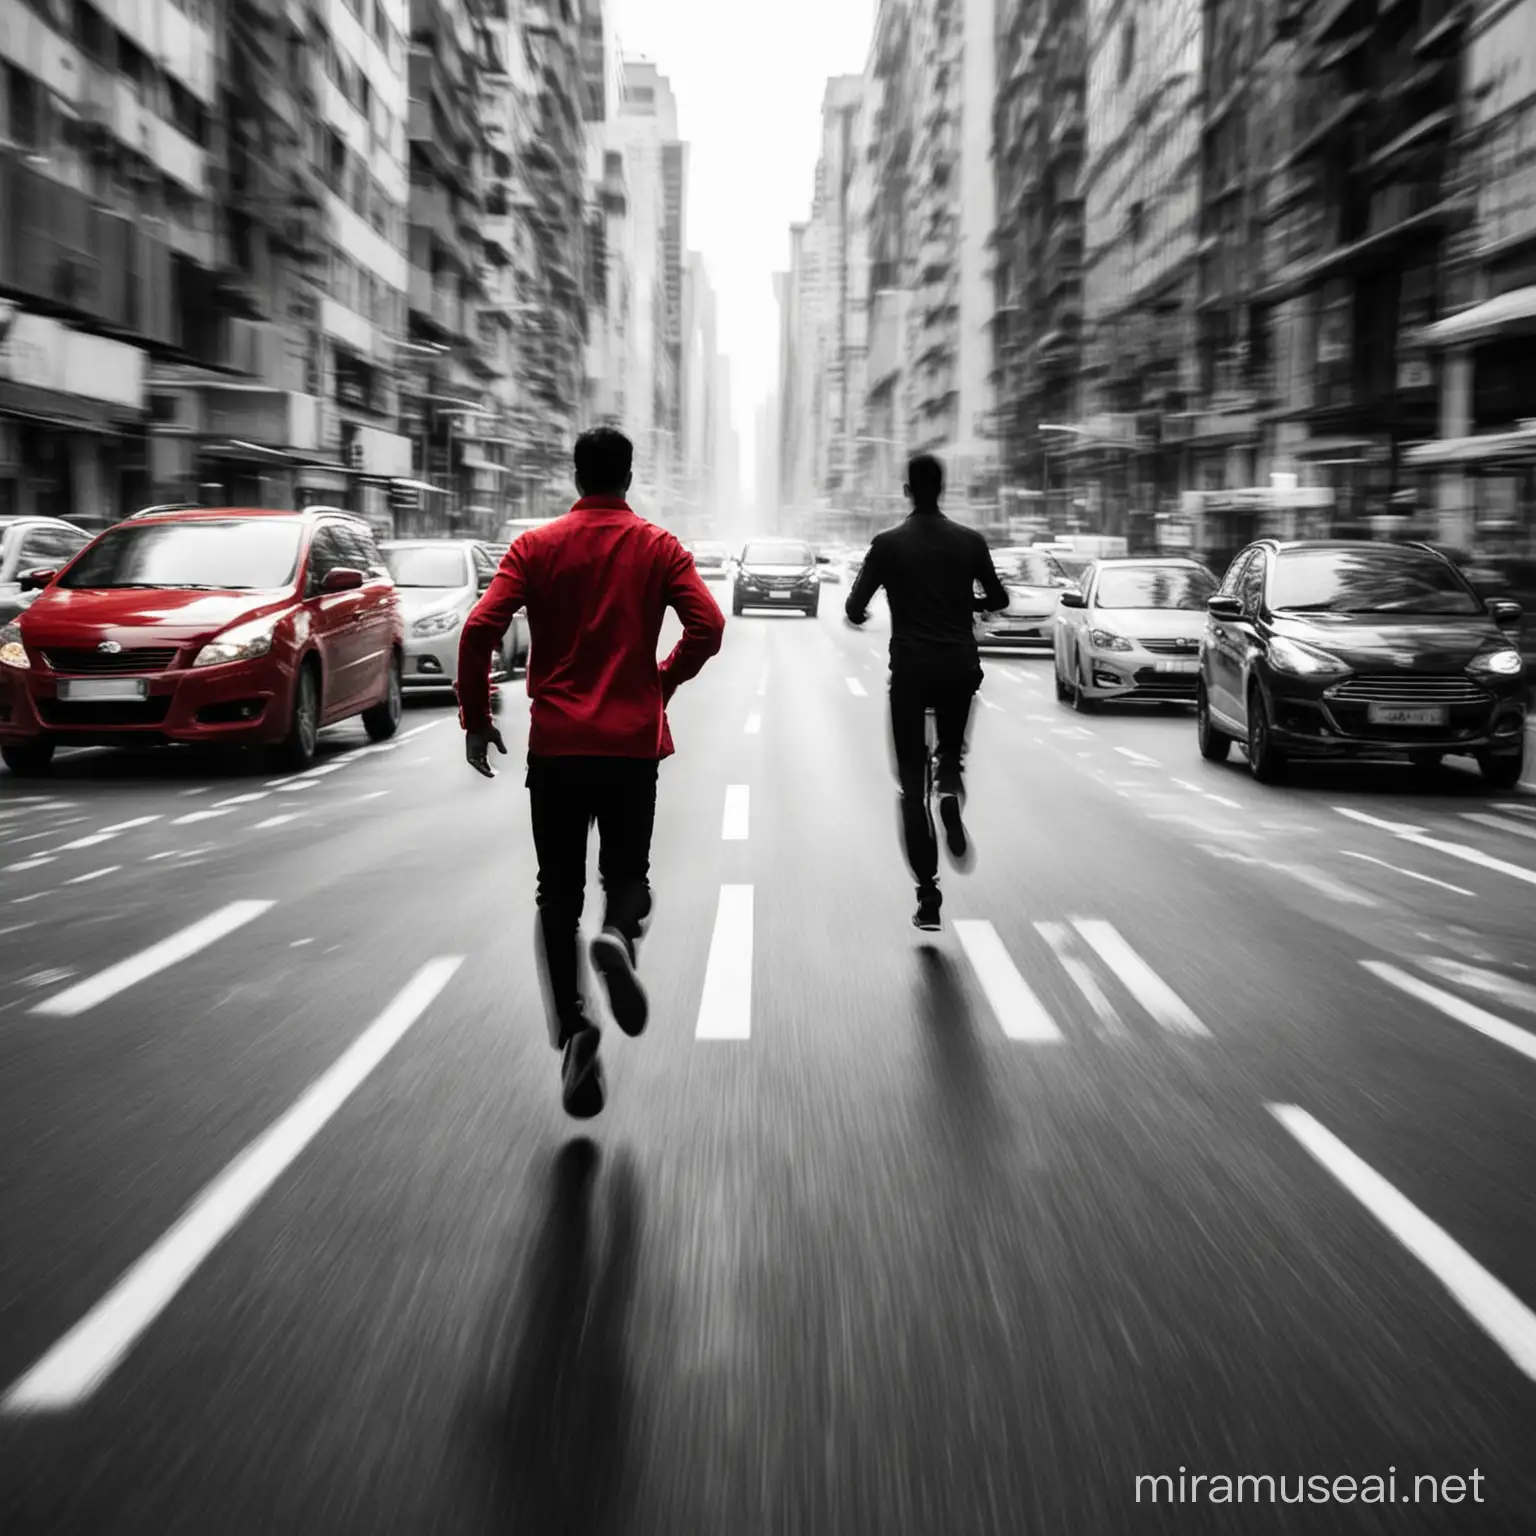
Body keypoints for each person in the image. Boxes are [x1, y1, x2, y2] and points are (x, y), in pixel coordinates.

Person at [456, 427, 725, 1118]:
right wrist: (662, 680)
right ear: (627, 476)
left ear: (576, 476)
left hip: (558, 747)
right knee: (628, 879)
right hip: (632, 747)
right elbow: (709, 626)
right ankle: (618, 939)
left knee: (556, 894)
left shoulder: (534, 548)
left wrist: (477, 718)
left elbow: (480, 628)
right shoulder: (658, 546)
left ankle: (575, 1027)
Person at [845, 453, 1010, 932]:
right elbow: (998, 599)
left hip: (912, 673)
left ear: (906, 490)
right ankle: (950, 801)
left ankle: (928, 894)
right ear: (943, 489)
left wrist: (866, 615)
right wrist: (968, 601)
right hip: (960, 670)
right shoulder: (969, 542)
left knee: (909, 786)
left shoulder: (888, 545)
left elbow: (855, 605)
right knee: (950, 761)